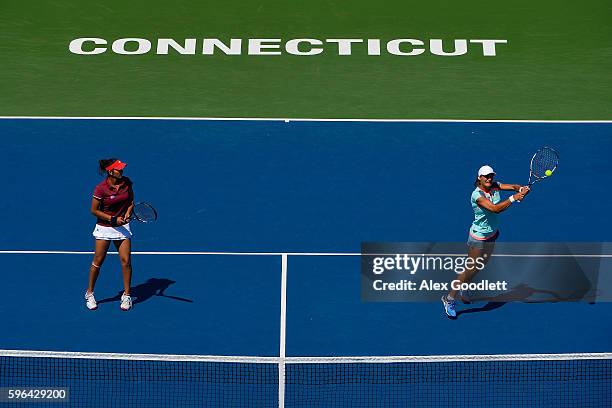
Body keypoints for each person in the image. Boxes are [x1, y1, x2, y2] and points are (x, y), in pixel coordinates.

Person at [442, 165, 529, 319]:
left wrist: (519, 188)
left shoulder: (494, 186)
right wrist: (514, 198)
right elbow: (495, 209)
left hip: (492, 234)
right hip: (479, 237)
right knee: (470, 268)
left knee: (480, 266)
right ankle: (449, 299)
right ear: (479, 178)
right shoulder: (477, 195)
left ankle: (464, 286)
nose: (489, 179)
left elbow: (511, 186)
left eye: (491, 176)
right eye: (486, 176)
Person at [85, 158, 134, 311]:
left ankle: (127, 295)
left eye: (122, 168)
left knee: (126, 261)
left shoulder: (127, 183)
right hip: (104, 227)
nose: (122, 171)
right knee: (98, 261)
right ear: (110, 171)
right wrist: (112, 219)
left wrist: (127, 213)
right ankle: (90, 293)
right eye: (119, 169)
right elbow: (94, 210)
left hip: (122, 227)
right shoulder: (100, 189)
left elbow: (131, 201)